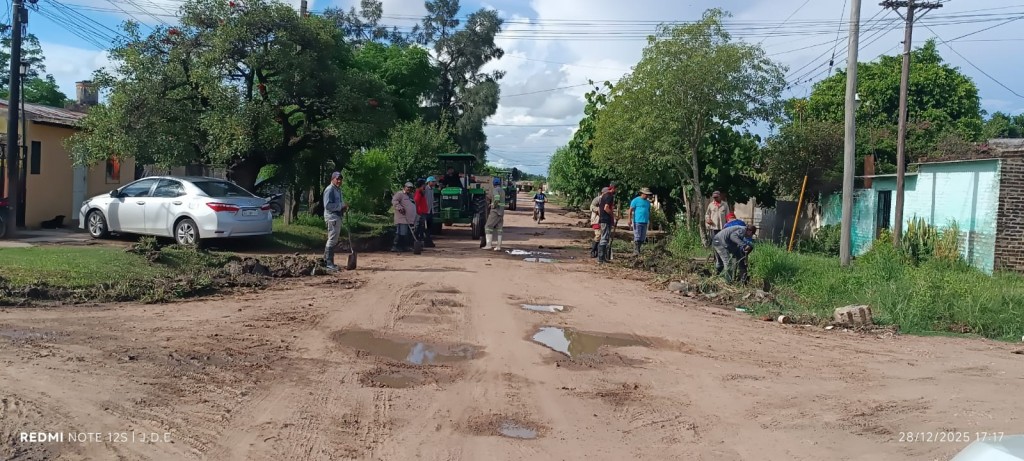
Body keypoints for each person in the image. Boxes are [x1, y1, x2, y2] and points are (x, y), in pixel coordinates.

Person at [322, 171, 349, 271]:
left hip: (336, 216)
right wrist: (341, 206)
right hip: (332, 217)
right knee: (332, 239)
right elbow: (328, 205)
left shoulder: (337, 190)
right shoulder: (330, 190)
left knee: (333, 239)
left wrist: (342, 208)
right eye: (337, 179)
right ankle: (329, 263)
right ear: (332, 179)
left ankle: (326, 261)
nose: (339, 181)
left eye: (340, 179)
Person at [391, 182, 417, 252]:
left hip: (409, 219)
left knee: (407, 234)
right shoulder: (400, 194)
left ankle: (404, 246)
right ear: (404, 187)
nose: (409, 189)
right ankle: (395, 246)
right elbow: (394, 201)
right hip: (402, 218)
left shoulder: (410, 196)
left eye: (410, 188)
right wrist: (400, 208)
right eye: (408, 187)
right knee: (401, 233)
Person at [482, 177, 506, 250]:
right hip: (501, 212)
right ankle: (498, 246)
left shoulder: (495, 190)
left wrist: (493, 205)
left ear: (493, 183)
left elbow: (497, 198)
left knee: (488, 227)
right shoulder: (502, 190)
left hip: (495, 211)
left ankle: (488, 245)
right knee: (499, 229)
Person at [629, 187, 653, 255]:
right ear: (641, 193)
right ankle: (635, 251)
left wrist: (650, 220)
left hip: (645, 221)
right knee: (637, 236)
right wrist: (629, 219)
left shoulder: (648, 202)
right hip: (637, 221)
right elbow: (630, 210)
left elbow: (648, 211)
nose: (646, 196)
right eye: (645, 194)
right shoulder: (635, 200)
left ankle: (639, 249)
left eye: (647, 194)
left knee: (642, 237)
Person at [597, 184, 616, 263]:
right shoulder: (609, 196)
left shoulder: (604, 196)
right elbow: (606, 208)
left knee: (604, 237)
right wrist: (612, 215)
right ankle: (601, 258)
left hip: (603, 219)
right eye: (616, 189)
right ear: (613, 189)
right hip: (606, 219)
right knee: (604, 238)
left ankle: (603, 258)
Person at [413, 179, 435, 248]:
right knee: (419, 229)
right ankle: (418, 243)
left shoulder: (422, 192)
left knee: (422, 228)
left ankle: (422, 243)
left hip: (423, 212)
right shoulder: (418, 192)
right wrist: (418, 212)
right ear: (422, 185)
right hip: (420, 213)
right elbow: (416, 202)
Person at [589, 187, 608, 258]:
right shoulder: (598, 199)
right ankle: (593, 250)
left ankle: (598, 251)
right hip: (596, 220)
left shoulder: (607, 199)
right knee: (598, 235)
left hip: (604, 220)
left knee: (602, 236)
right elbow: (591, 207)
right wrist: (599, 210)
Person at [424, 176, 438, 245]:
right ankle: (426, 241)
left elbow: (432, 201)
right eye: (433, 181)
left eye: (434, 181)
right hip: (425, 211)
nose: (434, 183)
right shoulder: (425, 189)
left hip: (430, 211)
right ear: (429, 182)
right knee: (425, 227)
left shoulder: (432, 190)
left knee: (430, 227)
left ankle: (428, 240)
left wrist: (433, 210)